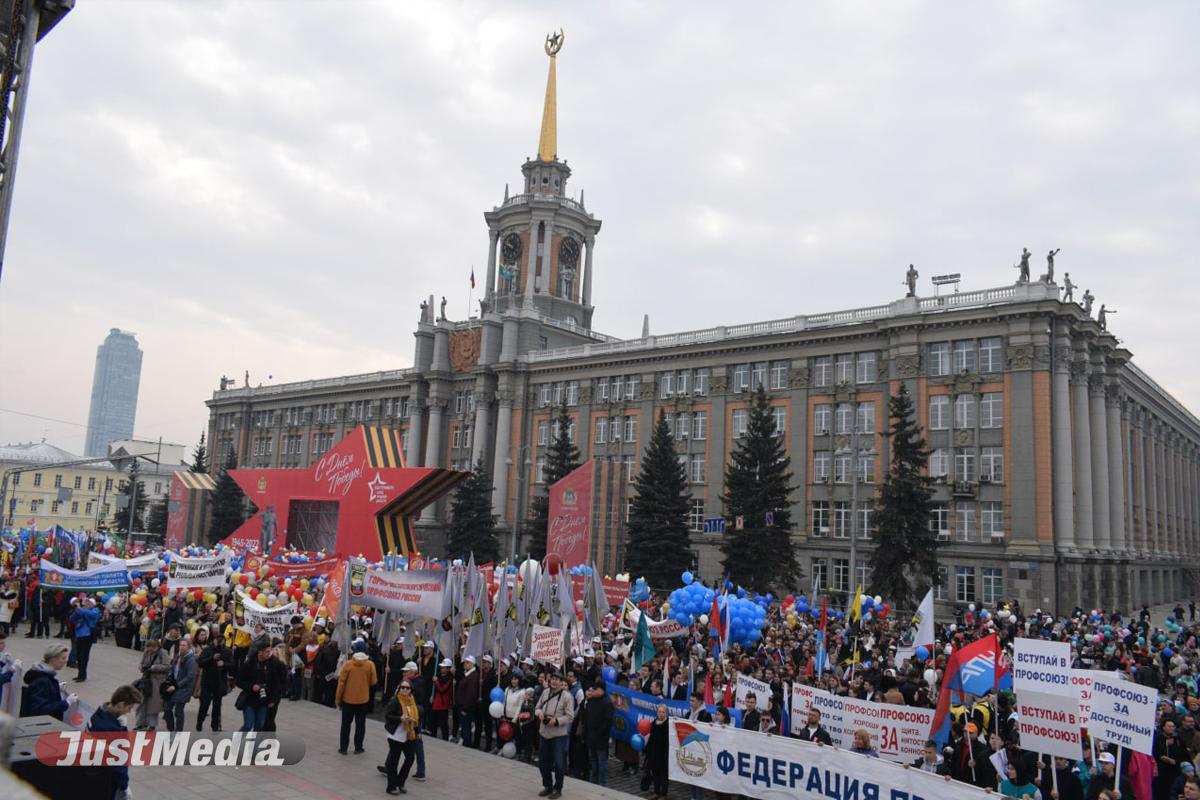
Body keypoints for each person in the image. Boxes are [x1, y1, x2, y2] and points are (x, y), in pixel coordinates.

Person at [87, 684, 143, 800]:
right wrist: (124, 785)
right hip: (105, 778)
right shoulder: (111, 729)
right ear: (121, 705)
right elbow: (118, 761)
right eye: (129, 708)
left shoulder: (99, 715)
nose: (129, 711)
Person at [535, 671, 576, 799]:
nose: (554, 681)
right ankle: (548, 785)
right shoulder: (545, 692)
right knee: (543, 762)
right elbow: (537, 707)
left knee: (559, 764)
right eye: (552, 679)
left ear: (561, 682)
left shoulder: (567, 696)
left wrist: (556, 721)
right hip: (544, 733)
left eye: (557, 679)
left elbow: (570, 716)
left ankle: (558, 788)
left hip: (558, 735)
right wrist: (540, 713)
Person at [336, 639, 378, 754]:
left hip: (347, 700)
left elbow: (341, 683)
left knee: (345, 725)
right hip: (363, 700)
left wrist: (338, 699)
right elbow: (374, 681)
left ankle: (343, 748)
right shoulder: (370, 665)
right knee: (360, 725)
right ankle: (358, 747)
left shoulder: (348, 664)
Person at [382, 679, 421, 795]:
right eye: (402, 687)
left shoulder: (412, 702)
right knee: (394, 761)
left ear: (411, 690)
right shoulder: (395, 700)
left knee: (410, 758)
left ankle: (400, 781)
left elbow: (417, 719)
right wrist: (400, 719)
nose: (404, 689)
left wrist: (417, 732)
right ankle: (391, 786)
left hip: (409, 734)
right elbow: (388, 716)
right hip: (396, 735)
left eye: (407, 688)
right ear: (399, 689)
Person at [20, 643, 74, 719]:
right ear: (53, 659)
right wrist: (66, 703)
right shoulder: (42, 680)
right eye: (63, 658)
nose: (66, 661)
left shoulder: (40, 675)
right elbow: (39, 709)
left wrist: (55, 688)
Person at [196, 625, 232, 731]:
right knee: (204, 705)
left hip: (220, 682)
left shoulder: (227, 651)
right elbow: (201, 662)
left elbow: (232, 665)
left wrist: (224, 664)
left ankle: (215, 726)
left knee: (217, 707)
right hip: (207, 681)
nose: (219, 643)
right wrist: (212, 659)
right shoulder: (208, 650)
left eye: (222, 641)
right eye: (218, 641)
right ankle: (200, 721)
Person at [236, 643, 277, 732]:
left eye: (270, 651)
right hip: (250, 700)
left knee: (259, 726)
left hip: (263, 701)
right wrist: (251, 687)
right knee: (248, 725)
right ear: (260, 652)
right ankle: (236, 742)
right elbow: (238, 681)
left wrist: (272, 700)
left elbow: (274, 684)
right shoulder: (249, 664)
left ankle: (254, 745)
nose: (269, 654)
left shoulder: (271, 664)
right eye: (267, 651)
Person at [134, 639, 169, 730]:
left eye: (152, 648)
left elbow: (167, 666)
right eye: (148, 648)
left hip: (157, 681)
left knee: (153, 704)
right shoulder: (146, 652)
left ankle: (152, 725)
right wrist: (141, 666)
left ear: (156, 646)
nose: (150, 650)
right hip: (146, 680)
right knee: (142, 702)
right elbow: (141, 663)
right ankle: (140, 723)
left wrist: (154, 667)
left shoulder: (163, 653)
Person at [163, 637, 196, 732]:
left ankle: (178, 731)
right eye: (180, 645)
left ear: (189, 647)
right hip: (173, 685)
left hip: (183, 689)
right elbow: (172, 668)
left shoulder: (190, 660)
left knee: (178, 711)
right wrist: (169, 679)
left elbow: (189, 676)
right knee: (167, 709)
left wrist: (177, 686)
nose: (181, 647)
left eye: (184, 645)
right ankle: (171, 729)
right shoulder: (178, 655)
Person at [583, 682, 613, 787]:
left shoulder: (607, 703)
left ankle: (602, 782)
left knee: (601, 761)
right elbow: (586, 718)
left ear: (601, 690)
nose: (593, 691)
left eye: (595, 689)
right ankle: (593, 780)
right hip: (591, 736)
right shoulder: (591, 701)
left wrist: (599, 732)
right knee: (593, 760)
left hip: (601, 738)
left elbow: (607, 722)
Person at [642, 703, 670, 799]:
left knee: (664, 774)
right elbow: (650, 738)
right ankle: (656, 791)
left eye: (663, 712)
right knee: (655, 773)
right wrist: (647, 751)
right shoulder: (654, 723)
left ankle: (664, 793)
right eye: (659, 712)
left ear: (666, 713)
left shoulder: (668, 724)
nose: (661, 714)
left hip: (664, 753)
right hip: (654, 753)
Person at [69, 596, 101, 681]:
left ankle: (83, 675)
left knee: (84, 656)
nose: (87, 603)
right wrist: (77, 609)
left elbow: (93, 615)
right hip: (79, 635)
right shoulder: (81, 610)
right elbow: (72, 618)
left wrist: (81, 609)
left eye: (89, 602)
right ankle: (79, 674)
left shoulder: (95, 610)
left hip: (88, 635)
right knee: (79, 655)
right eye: (86, 602)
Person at [457, 654, 481, 748]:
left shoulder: (474, 676)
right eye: (465, 662)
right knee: (464, 727)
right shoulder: (468, 674)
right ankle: (465, 743)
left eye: (467, 662)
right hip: (463, 706)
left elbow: (471, 694)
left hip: (466, 707)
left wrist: (465, 708)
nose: (465, 664)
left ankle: (467, 745)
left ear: (472, 664)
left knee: (466, 727)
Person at [430, 657, 454, 740]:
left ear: (448, 669)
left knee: (443, 724)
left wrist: (436, 682)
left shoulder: (450, 678)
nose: (441, 668)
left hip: (443, 704)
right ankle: (433, 736)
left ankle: (445, 739)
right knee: (433, 722)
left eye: (443, 667)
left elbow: (442, 689)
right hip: (436, 702)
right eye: (441, 667)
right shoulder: (439, 676)